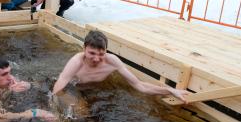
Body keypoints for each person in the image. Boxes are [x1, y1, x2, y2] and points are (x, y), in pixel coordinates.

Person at [52, 31, 190, 103]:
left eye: (101, 53)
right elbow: (57, 89)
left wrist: (171, 90)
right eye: (91, 53)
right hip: (76, 89)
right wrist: (77, 103)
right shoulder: (76, 62)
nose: (96, 58)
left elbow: (140, 85)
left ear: (106, 50)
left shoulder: (112, 61)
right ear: (84, 49)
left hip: (98, 90)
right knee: (83, 114)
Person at [0, 57, 57, 122]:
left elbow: (38, 84)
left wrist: (28, 86)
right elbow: (1, 116)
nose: (10, 77)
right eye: (4, 74)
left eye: (10, 72)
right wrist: (34, 112)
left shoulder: (9, 80)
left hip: (6, 105)